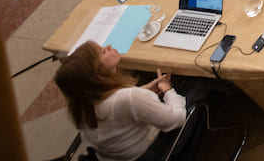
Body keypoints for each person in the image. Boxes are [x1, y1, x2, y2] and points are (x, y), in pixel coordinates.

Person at [54, 41, 187, 161]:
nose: (109, 46)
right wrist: (167, 91)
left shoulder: (81, 103)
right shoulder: (130, 98)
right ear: (97, 73)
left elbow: (115, 101)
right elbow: (177, 119)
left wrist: (145, 90)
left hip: (118, 156)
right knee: (197, 86)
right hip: (153, 152)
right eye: (103, 51)